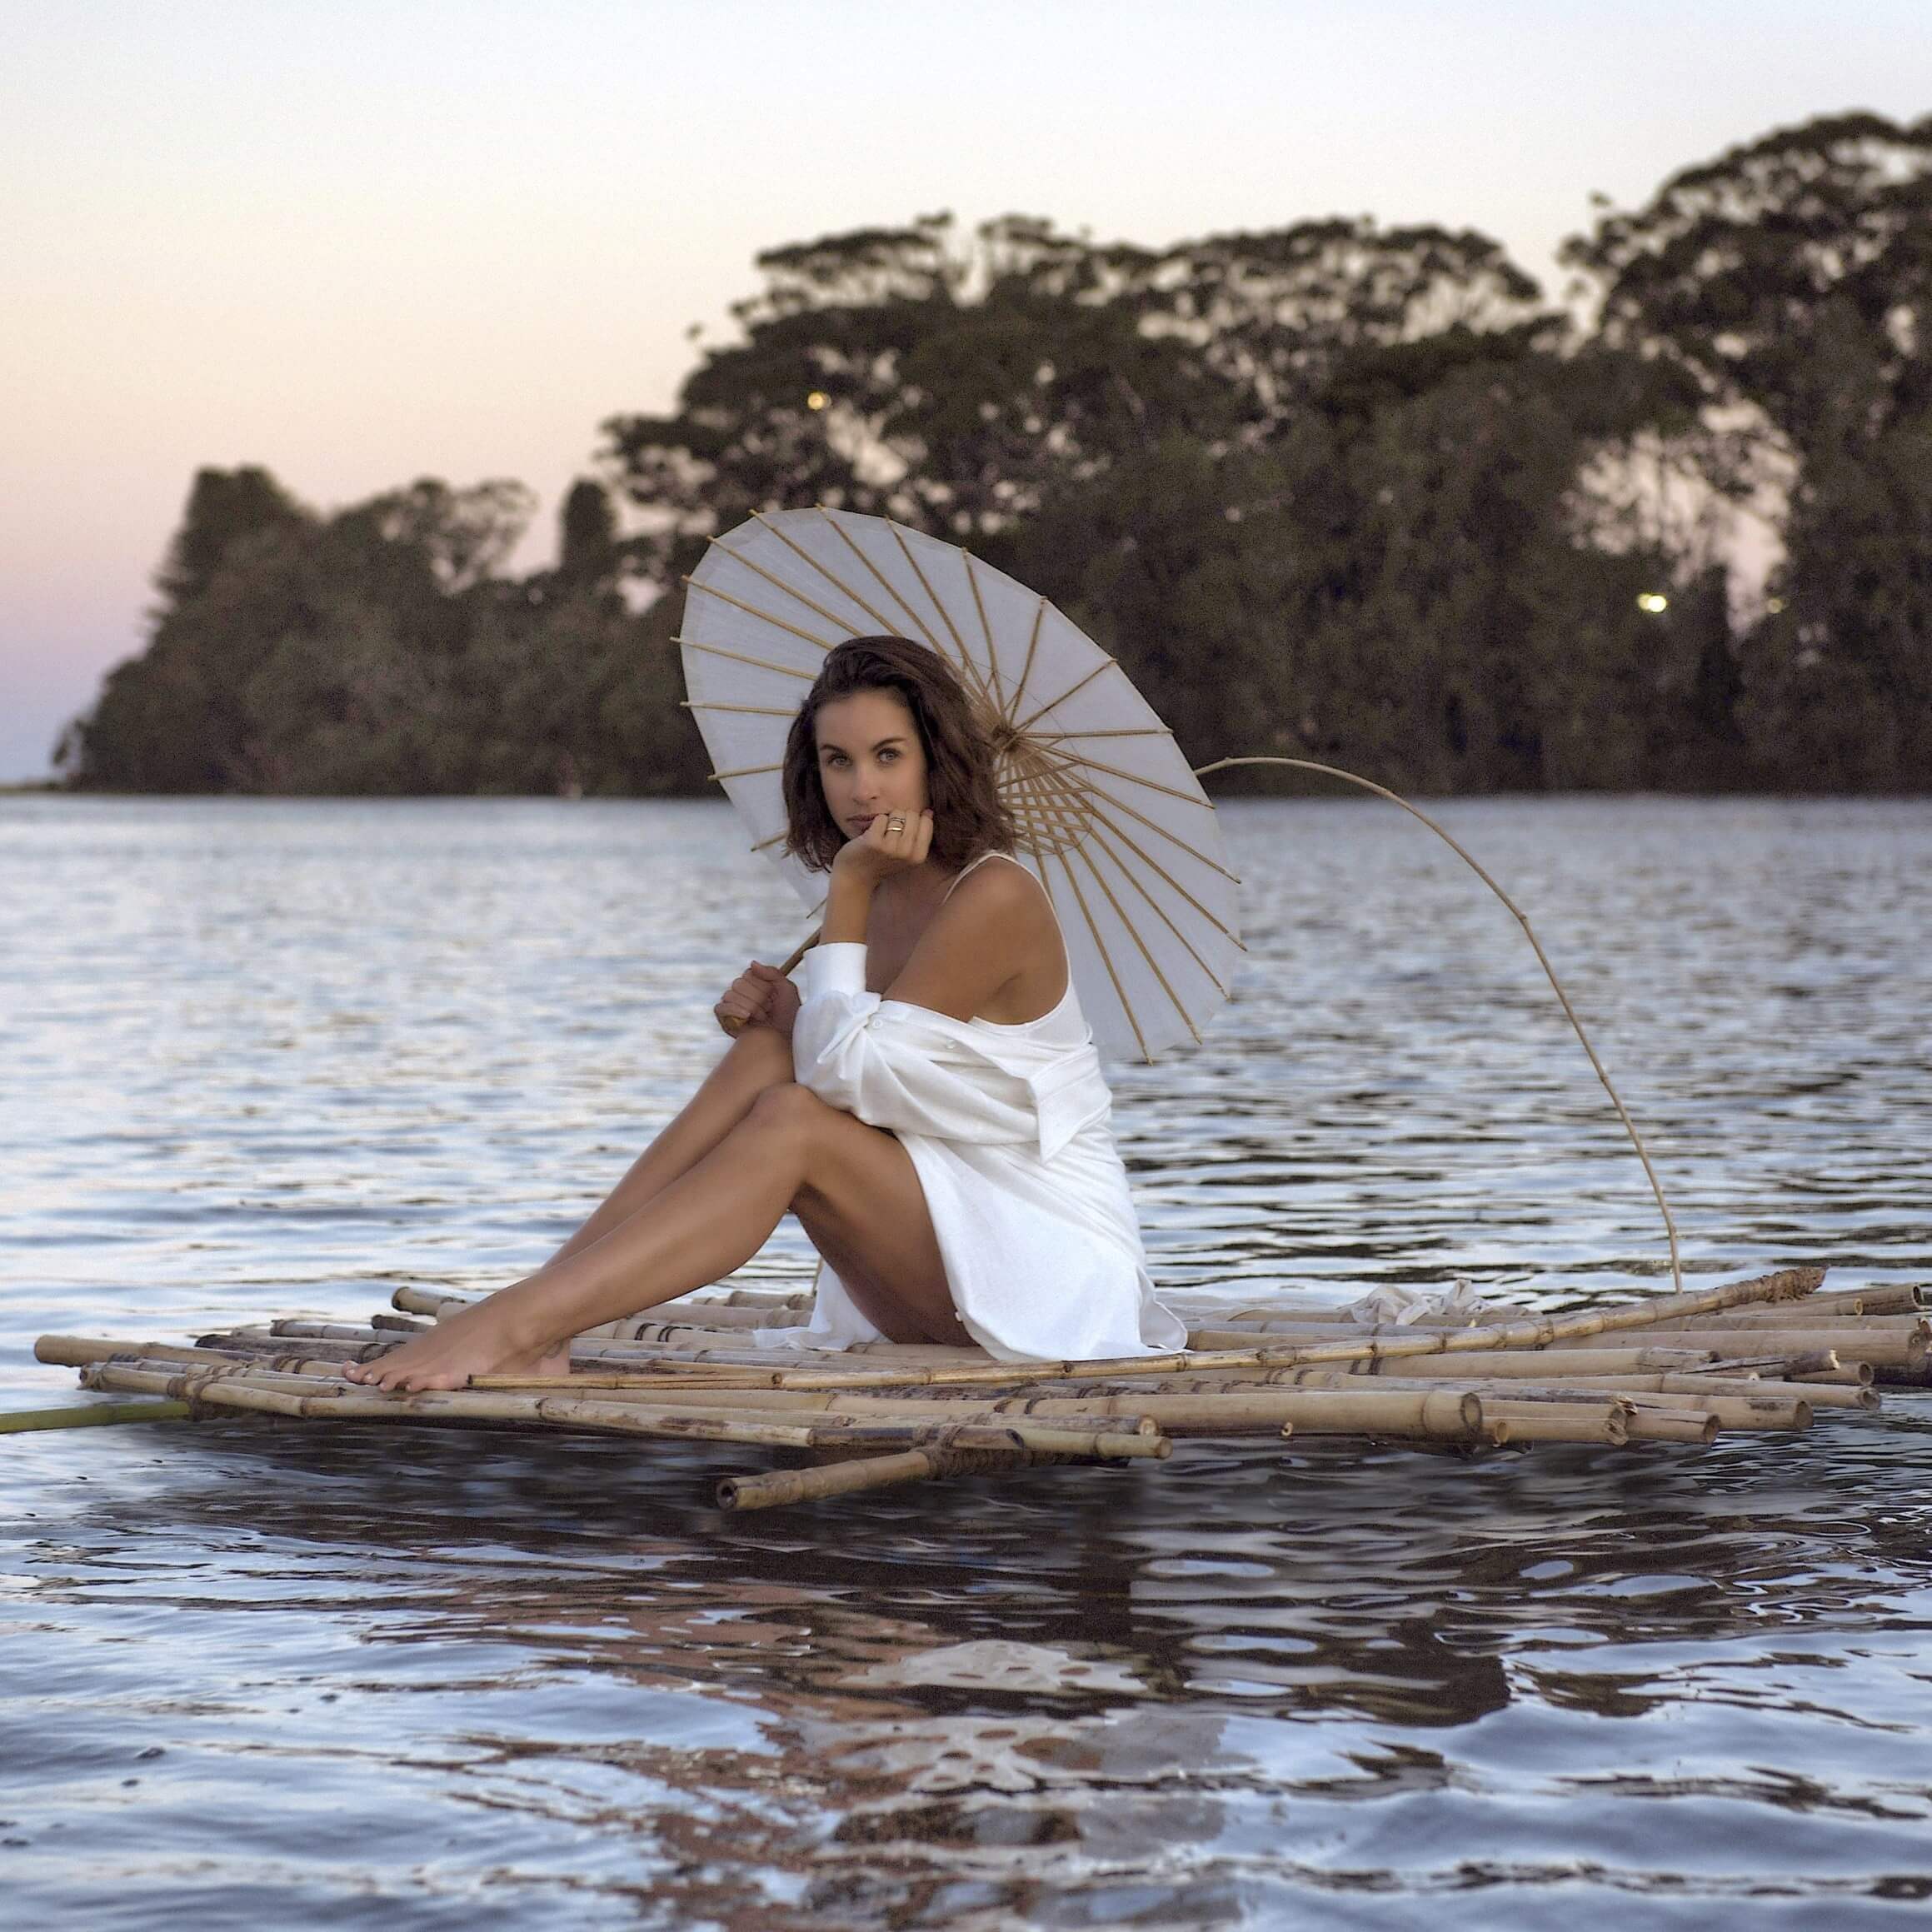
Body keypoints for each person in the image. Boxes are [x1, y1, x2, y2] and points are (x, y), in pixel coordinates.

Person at [347, 635, 1186, 1393]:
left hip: (1046, 1271)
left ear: (936, 760)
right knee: (763, 1058)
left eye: (889, 756)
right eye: (838, 761)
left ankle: (523, 1323)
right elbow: (860, 1059)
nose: (862, 789)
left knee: (793, 1117)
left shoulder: (993, 894)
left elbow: (849, 1077)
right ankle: (549, 1307)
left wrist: (849, 894)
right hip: (935, 1252)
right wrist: (788, 1010)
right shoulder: (879, 886)